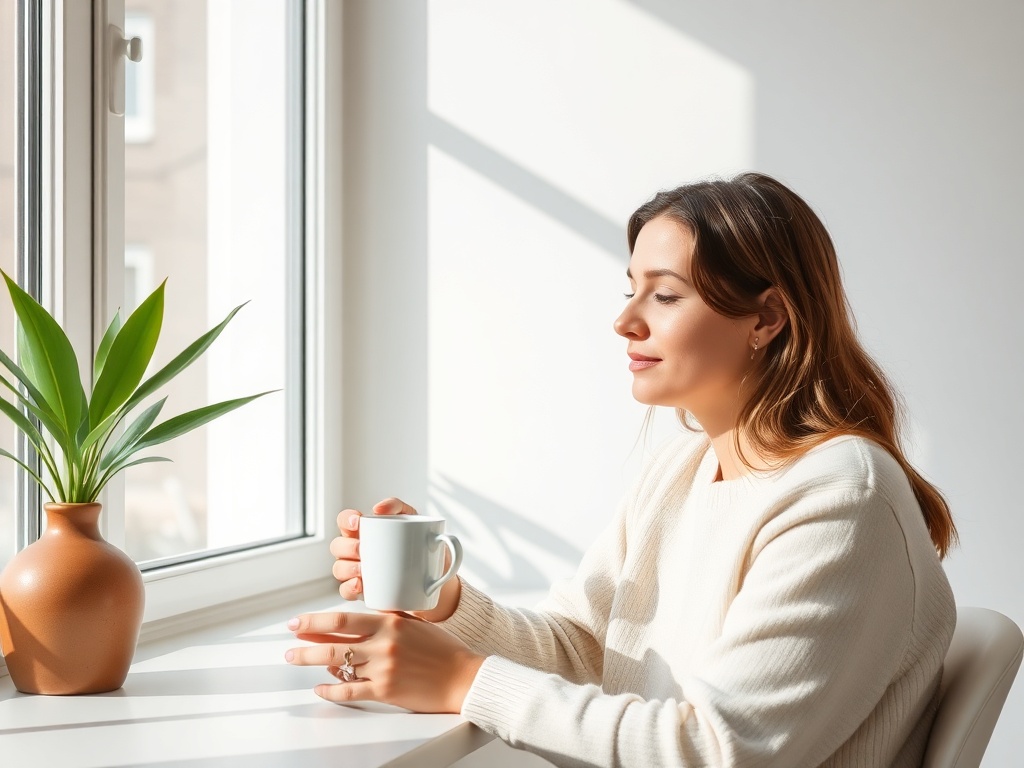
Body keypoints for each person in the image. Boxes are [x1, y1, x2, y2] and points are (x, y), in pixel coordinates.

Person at [285, 172, 957, 767]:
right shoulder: (682, 472)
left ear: (768, 318)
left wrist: (464, 681)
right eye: (632, 290)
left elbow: (721, 751)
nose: (625, 321)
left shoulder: (841, 500)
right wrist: (443, 602)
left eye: (664, 296)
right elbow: (587, 653)